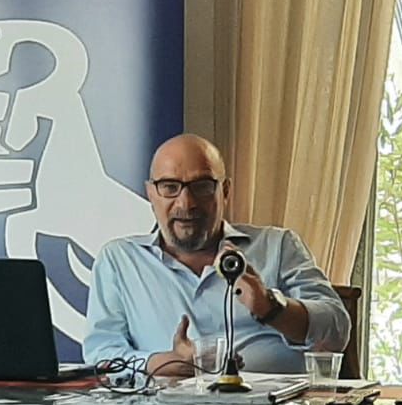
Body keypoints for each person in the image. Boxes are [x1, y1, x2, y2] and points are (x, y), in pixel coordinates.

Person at [83, 134, 349, 375]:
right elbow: (101, 354)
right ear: (151, 194)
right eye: (170, 187)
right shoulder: (119, 261)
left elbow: (337, 328)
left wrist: (271, 308)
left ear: (225, 191)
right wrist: (166, 363)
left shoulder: (277, 246)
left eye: (202, 186)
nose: (186, 203)